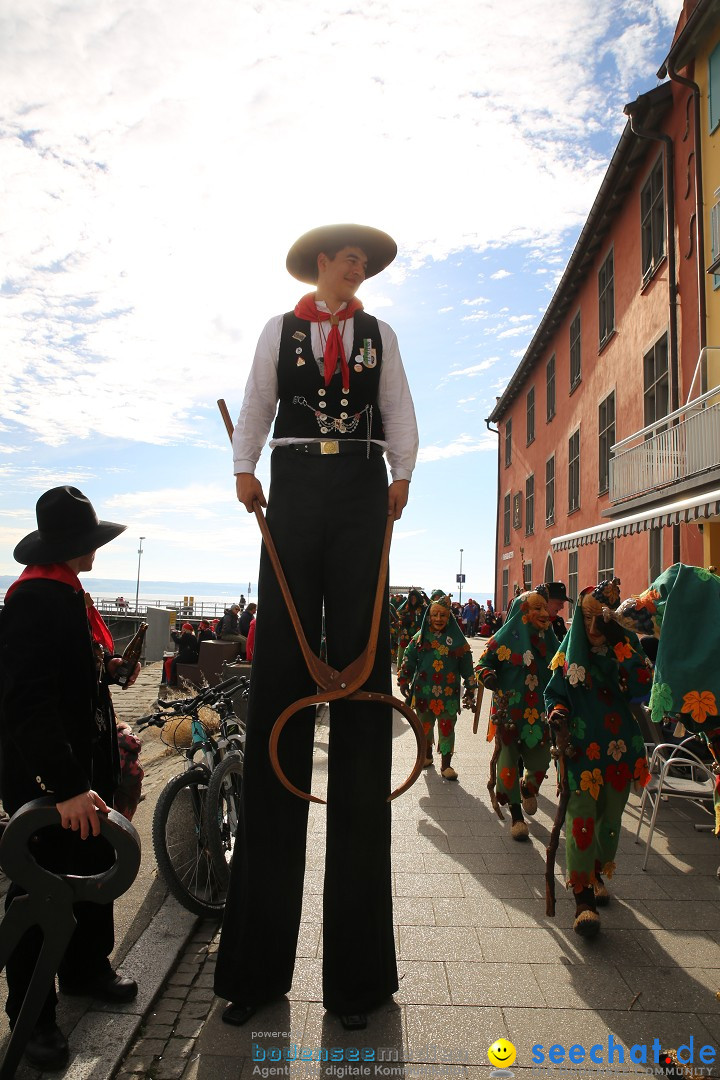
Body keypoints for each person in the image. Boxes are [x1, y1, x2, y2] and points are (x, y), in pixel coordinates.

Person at [214, 223, 418, 1032]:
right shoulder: (281, 329)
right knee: (278, 704)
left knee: (364, 703)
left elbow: (398, 405)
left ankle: (358, 981)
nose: (359, 268)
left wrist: (401, 474)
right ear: (322, 265)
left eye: (364, 261)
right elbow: (258, 401)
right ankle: (254, 974)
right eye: (350, 258)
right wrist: (243, 465)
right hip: (293, 485)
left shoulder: (379, 335)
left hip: (362, 490)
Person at [0, 487, 139, 1071]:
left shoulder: (62, 594)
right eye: (90, 542)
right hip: (51, 783)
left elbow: (67, 678)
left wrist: (106, 669)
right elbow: (28, 703)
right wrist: (65, 787)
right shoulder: (35, 600)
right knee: (41, 886)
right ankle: (34, 1020)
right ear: (72, 546)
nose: (96, 551)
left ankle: (84, 969)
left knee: (85, 869)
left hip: (79, 774)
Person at [544, 578, 652, 937]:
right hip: (580, 750)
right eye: (586, 619)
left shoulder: (627, 648)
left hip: (621, 749)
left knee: (609, 817)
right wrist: (556, 710)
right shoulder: (567, 652)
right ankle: (583, 898)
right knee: (582, 818)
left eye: (599, 620)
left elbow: (642, 687)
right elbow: (553, 693)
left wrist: (620, 641)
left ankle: (596, 870)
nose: (592, 628)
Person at [474, 587, 559, 840]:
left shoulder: (551, 640)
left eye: (545, 607)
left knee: (541, 763)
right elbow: (482, 662)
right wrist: (487, 675)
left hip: (540, 715)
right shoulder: (503, 638)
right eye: (538, 608)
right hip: (509, 714)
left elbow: (563, 664)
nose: (545, 613)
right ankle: (516, 816)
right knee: (509, 764)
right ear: (524, 612)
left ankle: (528, 787)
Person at [397, 592, 476, 780]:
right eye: (435, 615)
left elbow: (467, 665)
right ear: (429, 617)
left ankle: (446, 766)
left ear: (449, 616)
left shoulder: (457, 640)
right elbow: (409, 659)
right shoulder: (420, 637)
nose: (439, 619)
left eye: (443, 615)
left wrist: (471, 687)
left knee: (447, 727)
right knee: (424, 726)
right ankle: (427, 756)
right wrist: (403, 679)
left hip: (448, 693)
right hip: (423, 691)